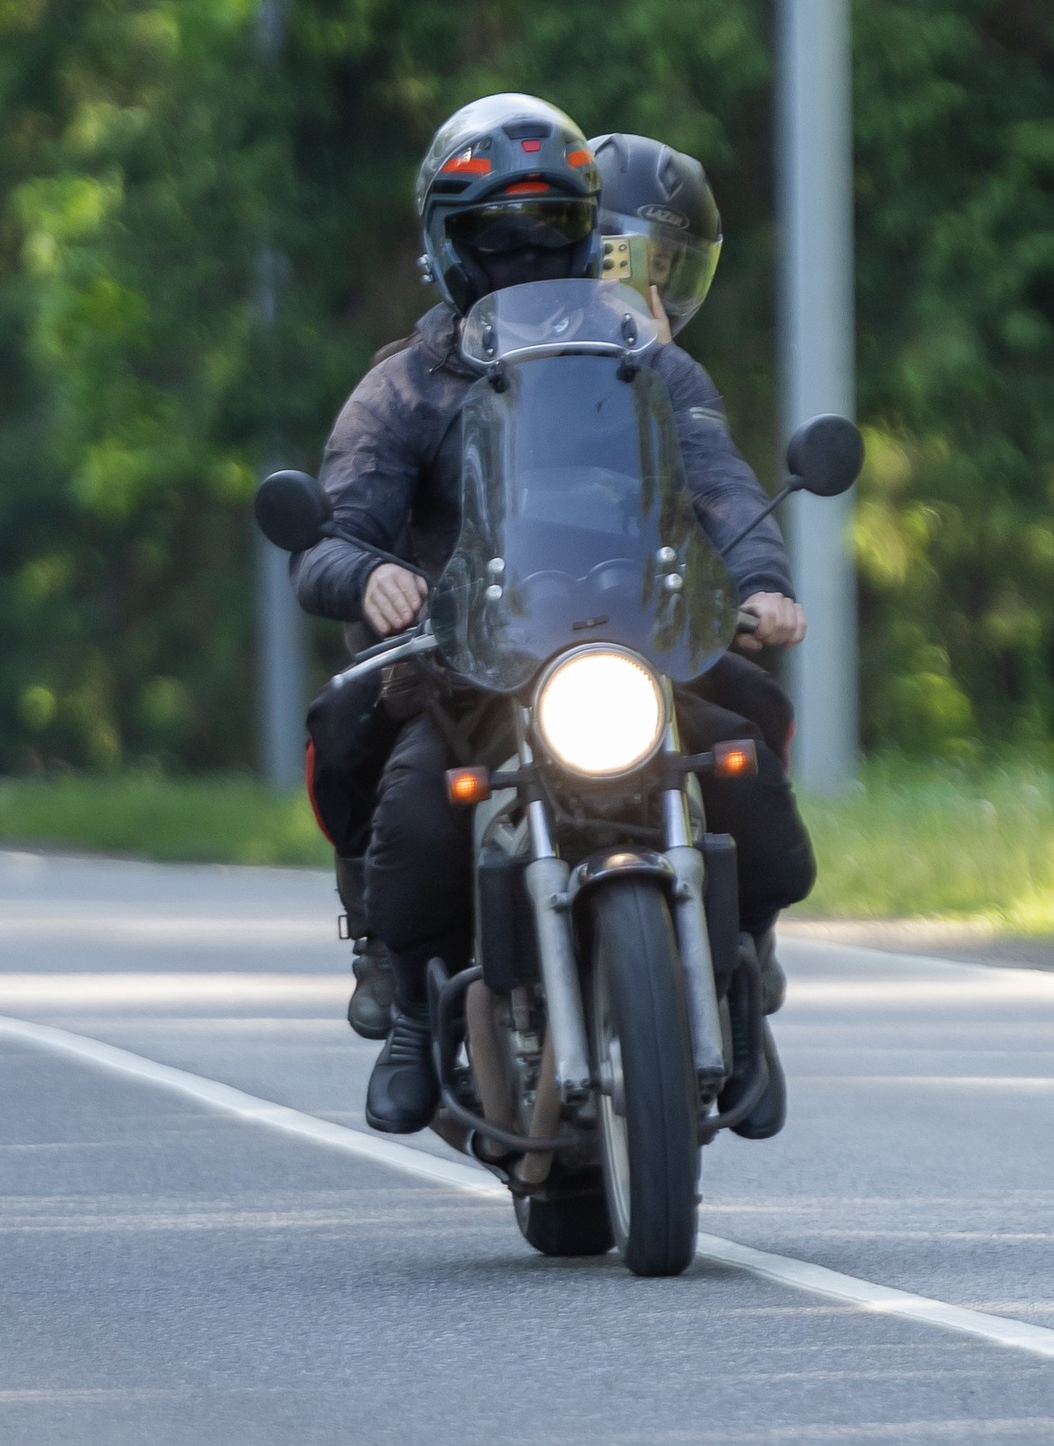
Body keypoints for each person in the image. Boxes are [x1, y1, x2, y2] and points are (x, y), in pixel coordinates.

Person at [291, 94, 814, 1137]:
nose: (523, 256)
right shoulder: (405, 385)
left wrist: (761, 583)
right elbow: (333, 529)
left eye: (548, 230)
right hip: (468, 660)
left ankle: (744, 977)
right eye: (497, 237)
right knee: (406, 797)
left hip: (635, 641)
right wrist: (364, 576)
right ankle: (403, 1004)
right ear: (449, 245)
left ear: (586, 233)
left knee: (747, 739)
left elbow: (720, 487)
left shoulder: (651, 365)